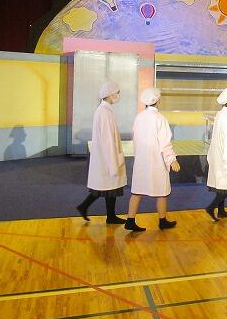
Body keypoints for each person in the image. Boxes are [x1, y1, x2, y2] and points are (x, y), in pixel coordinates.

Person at [125, 87, 181, 232]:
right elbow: (165, 143)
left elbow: (135, 138)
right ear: (158, 101)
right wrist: (172, 159)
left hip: (141, 160)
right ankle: (162, 221)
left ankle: (130, 220)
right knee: (161, 192)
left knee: (137, 191)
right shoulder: (160, 118)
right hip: (157, 161)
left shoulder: (139, 117)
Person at [76, 81, 127, 224]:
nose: (118, 95)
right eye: (117, 92)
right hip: (107, 156)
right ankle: (89, 208)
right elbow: (108, 139)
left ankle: (108, 215)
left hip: (106, 156)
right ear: (110, 94)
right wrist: (113, 162)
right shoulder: (104, 112)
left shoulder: (105, 110)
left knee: (108, 187)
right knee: (106, 186)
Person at [205, 87, 227, 221]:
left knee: (222, 185)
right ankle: (211, 207)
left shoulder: (221, 114)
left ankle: (221, 211)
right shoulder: (226, 117)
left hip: (218, 155)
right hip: (225, 156)